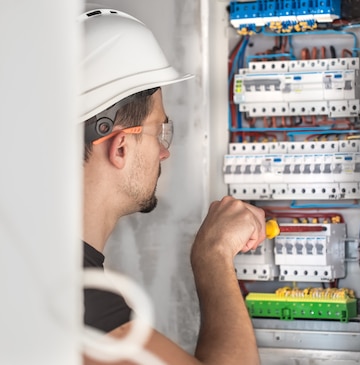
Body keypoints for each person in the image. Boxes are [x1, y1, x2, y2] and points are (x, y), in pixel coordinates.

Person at [79, 8, 266, 365]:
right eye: (160, 131)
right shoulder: (81, 300)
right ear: (119, 147)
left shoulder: (27, 262)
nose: (164, 151)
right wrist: (212, 256)